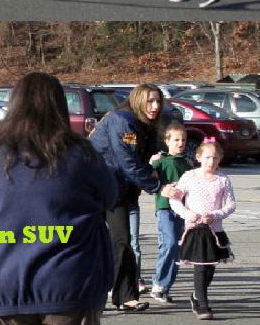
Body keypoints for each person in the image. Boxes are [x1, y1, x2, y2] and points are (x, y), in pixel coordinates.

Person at [0, 72, 117, 324]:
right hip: (68, 277)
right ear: (59, 106)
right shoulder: (80, 154)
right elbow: (109, 197)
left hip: (1, 277)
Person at [90, 83, 183, 312]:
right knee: (109, 243)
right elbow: (127, 162)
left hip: (121, 190)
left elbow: (143, 159)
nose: (155, 106)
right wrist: (157, 186)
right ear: (137, 101)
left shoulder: (147, 124)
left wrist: (153, 168)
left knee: (122, 242)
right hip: (97, 188)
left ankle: (124, 296)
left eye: (158, 101)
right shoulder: (123, 121)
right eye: (150, 101)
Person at [170, 139, 235, 320]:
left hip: (214, 230)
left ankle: (196, 295)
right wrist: (186, 213)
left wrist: (215, 214)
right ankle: (203, 305)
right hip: (194, 228)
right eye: (207, 157)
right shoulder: (189, 177)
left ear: (220, 159)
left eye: (215, 158)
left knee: (210, 267)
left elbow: (231, 205)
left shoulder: (223, 179)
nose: (211, 162)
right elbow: (174, 199)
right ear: (198, 157)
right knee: (200, 266)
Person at [148, 122, 191, 304]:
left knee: (178, 249)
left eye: (183, 140)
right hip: (165, 208)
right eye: (176, 140)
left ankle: (165, 287)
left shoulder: (187, 163)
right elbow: (149, 181)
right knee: (170, 243)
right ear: (167, 141)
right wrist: (150, 164)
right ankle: (158, 283)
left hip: (182, 210)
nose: (180, 143)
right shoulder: (160, 160)